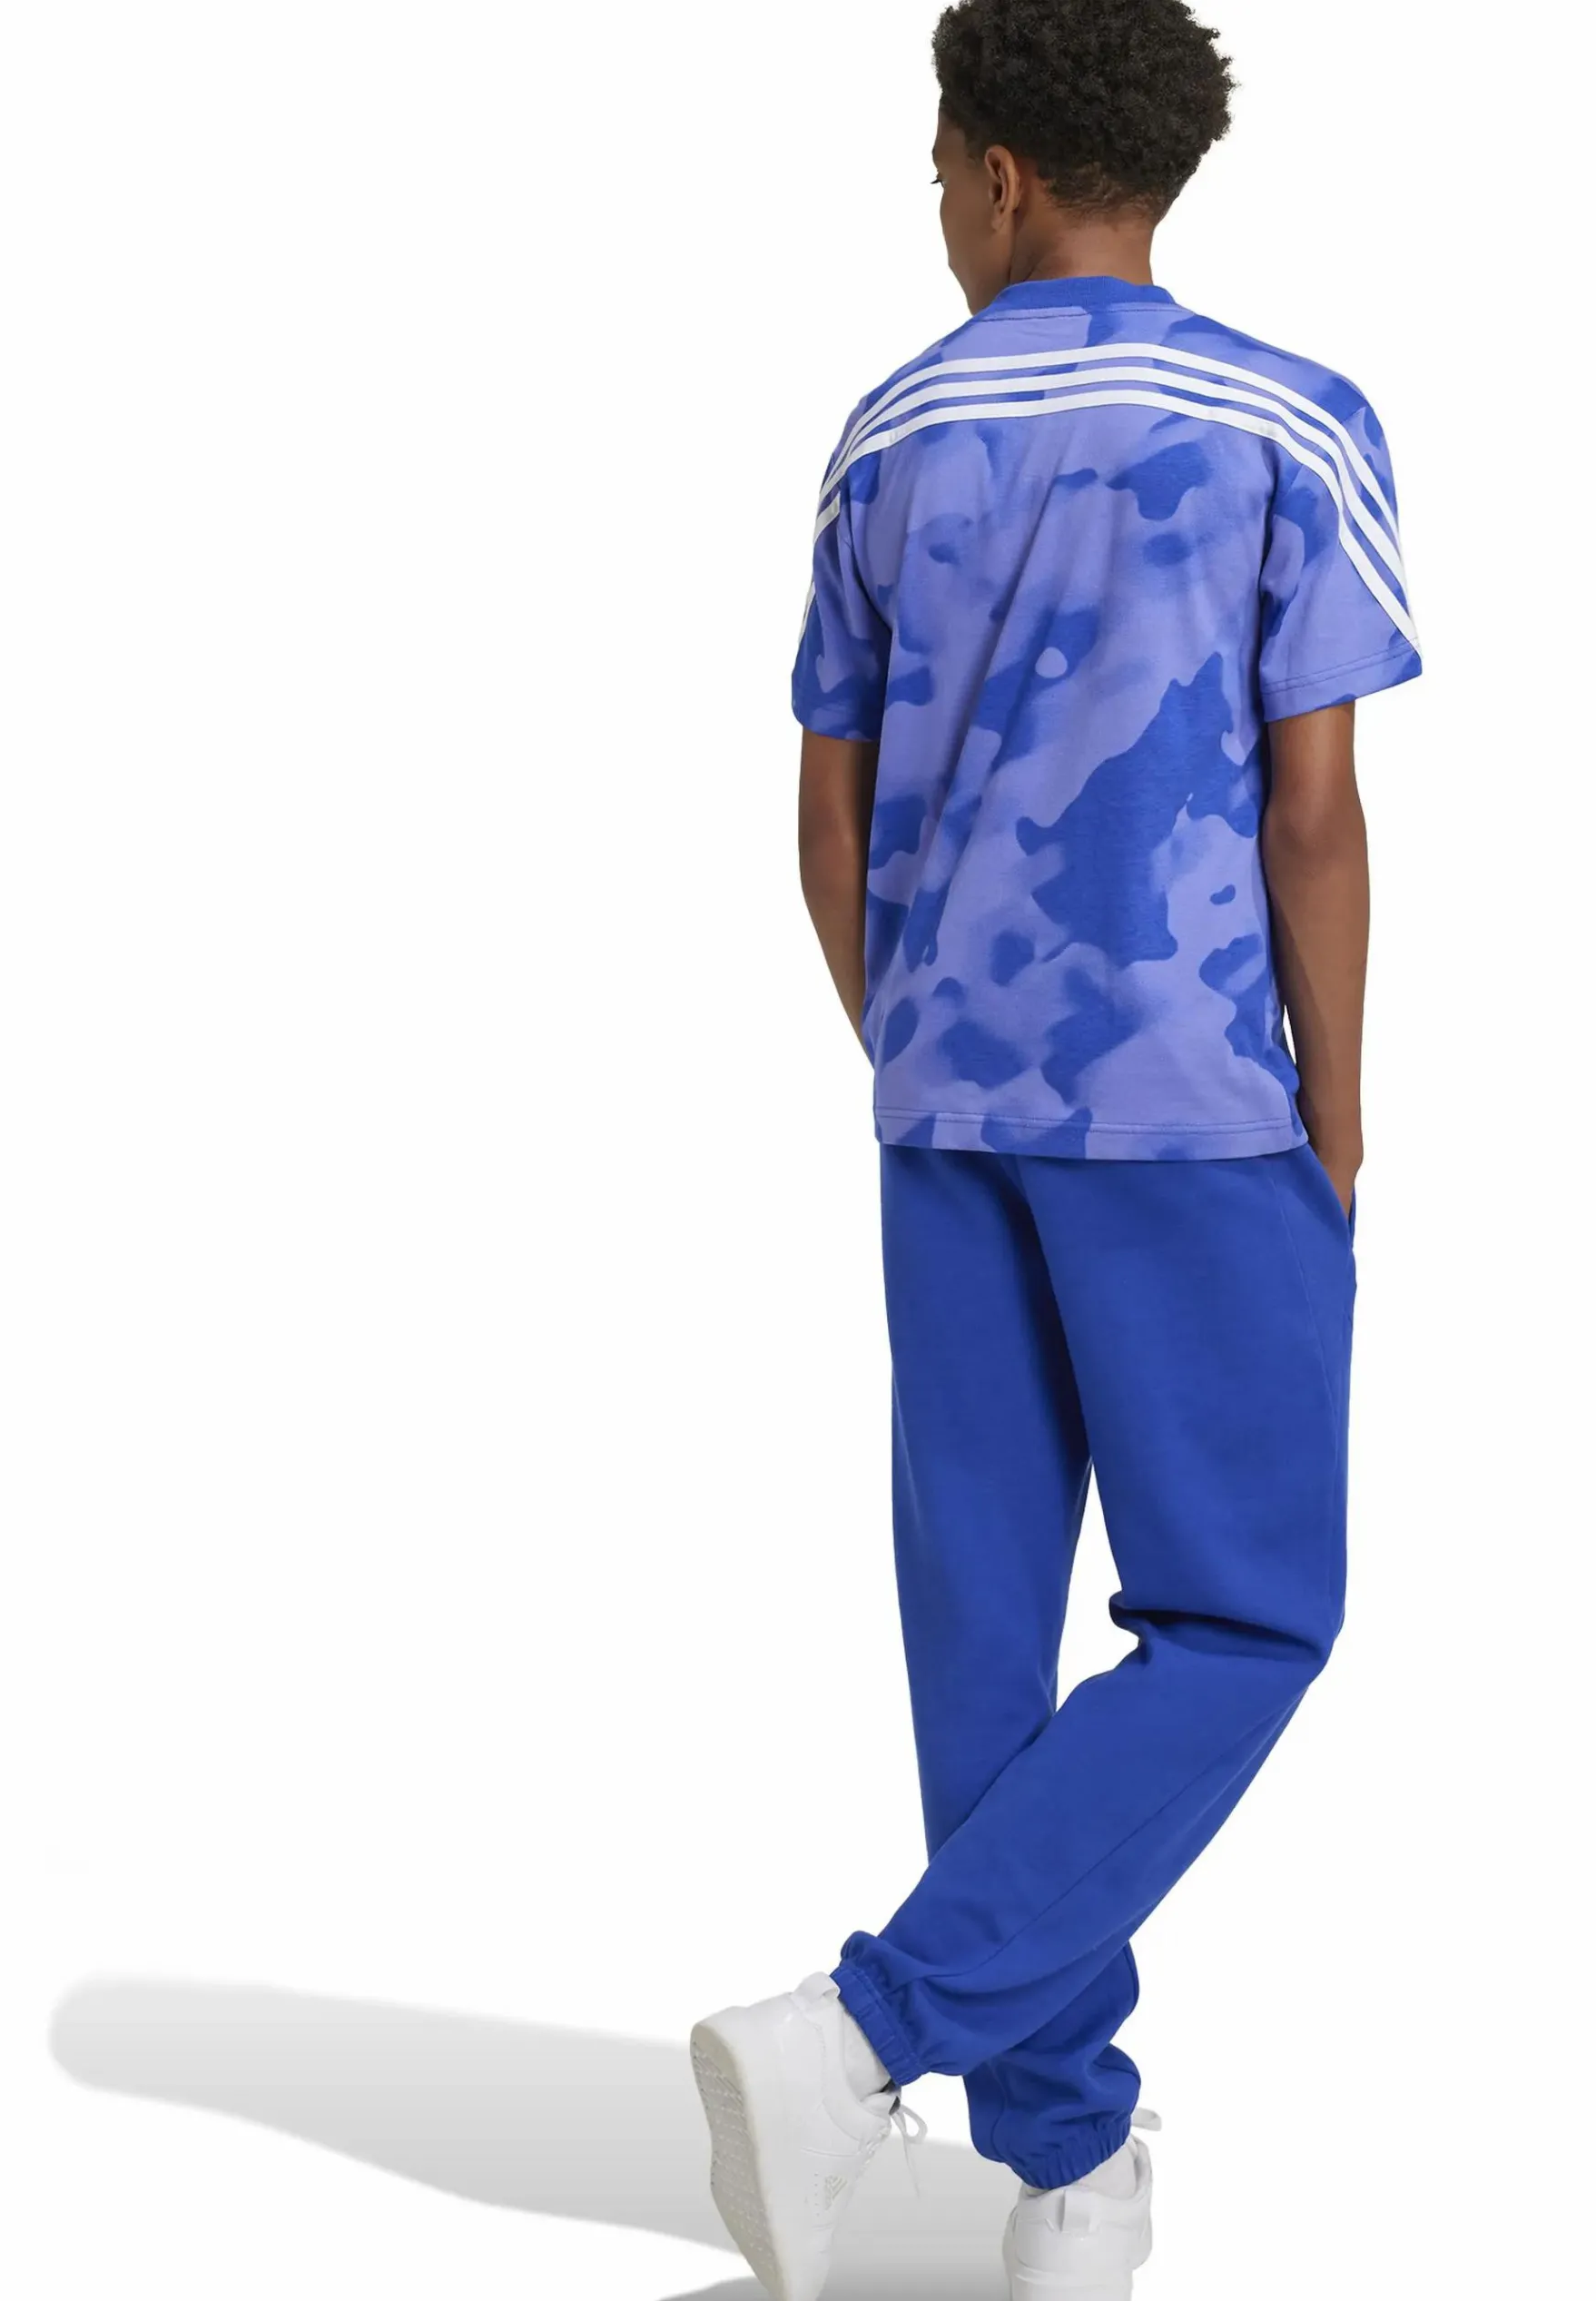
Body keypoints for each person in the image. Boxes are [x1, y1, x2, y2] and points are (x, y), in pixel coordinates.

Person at [689, 2, 1422, 2296]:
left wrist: (916, 1039)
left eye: (935, 169)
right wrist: (1335, 1107)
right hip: (1193, 1102)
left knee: (979, 1643)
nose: (935, 206)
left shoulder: (885, 431)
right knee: (1244, 1612)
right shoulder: (1291, 419)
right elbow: (1310, 812)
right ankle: (861, 2036)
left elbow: (824, 821)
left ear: (997, 173)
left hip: (945, 1102)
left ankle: (1068, 2171)